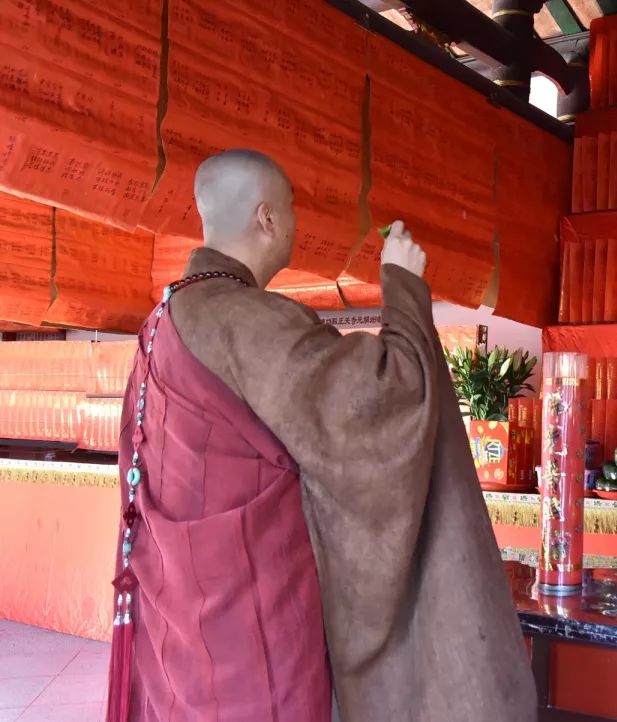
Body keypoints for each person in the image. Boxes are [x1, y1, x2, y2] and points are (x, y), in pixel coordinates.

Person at [106, 149, 537, 721]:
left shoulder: (161, 322)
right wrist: (404, 285)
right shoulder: (244, 318)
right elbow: (385, 403)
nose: (294, 223)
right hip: (250, 619)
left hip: (181, 613)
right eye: (290, 209)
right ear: (267, 219)